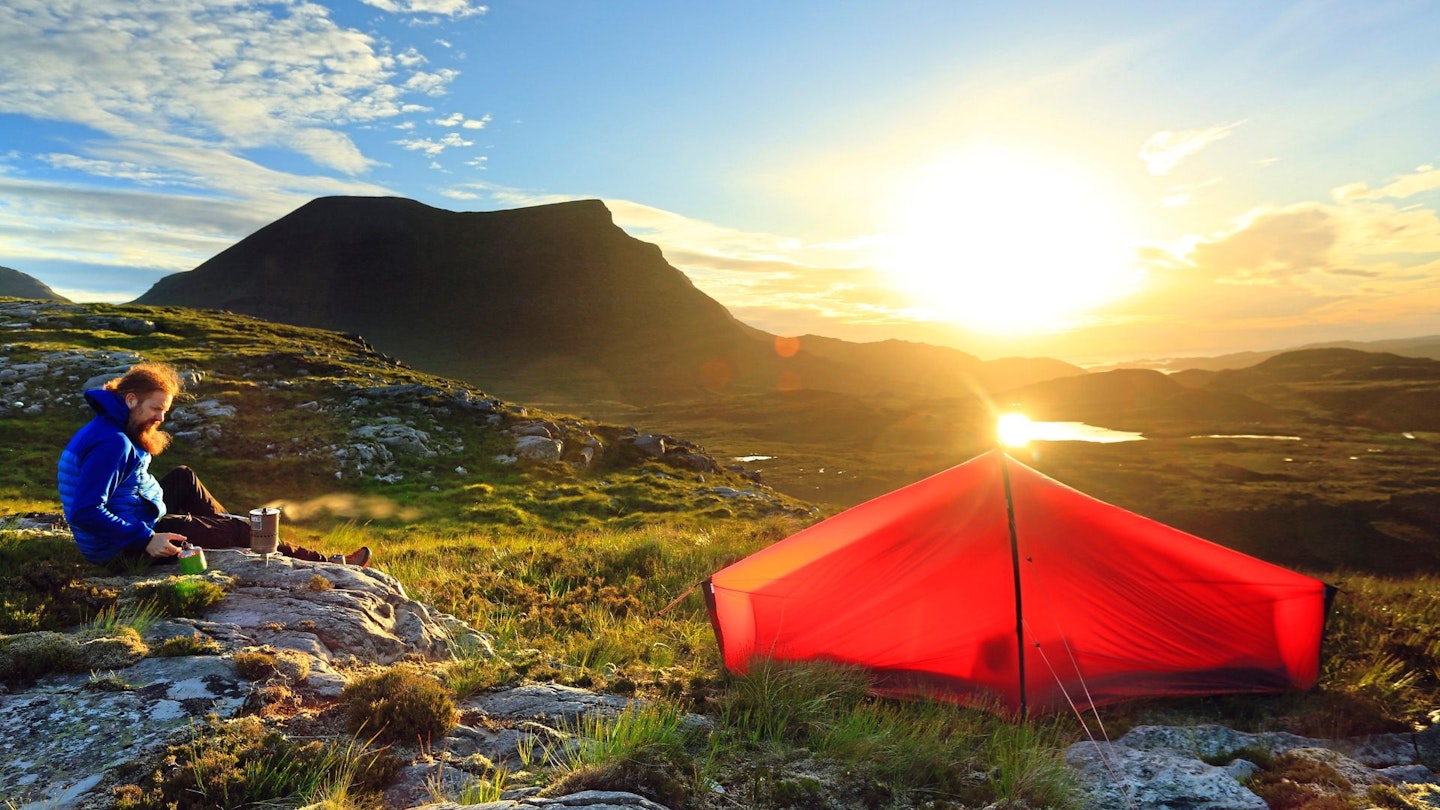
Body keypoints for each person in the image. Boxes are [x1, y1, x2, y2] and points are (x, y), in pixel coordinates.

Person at [57, 362, 371, 568]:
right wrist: (146, 540)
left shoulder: (106, 427)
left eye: (164, 410)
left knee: (184, 477)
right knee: (243, 528)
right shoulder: (113, 442)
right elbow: (86, 511)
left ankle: (228, 531)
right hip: (121, 547)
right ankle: (327, 563)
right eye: (156, 408)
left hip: (132, 515)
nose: (161, 418)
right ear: (131, 400)